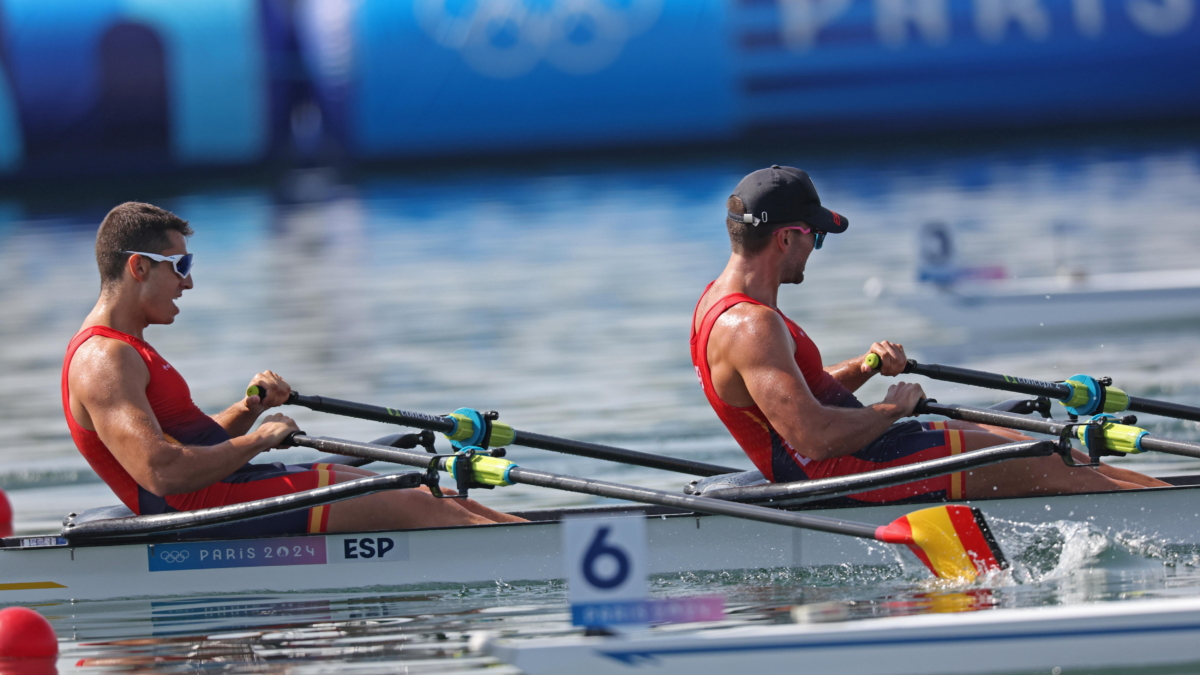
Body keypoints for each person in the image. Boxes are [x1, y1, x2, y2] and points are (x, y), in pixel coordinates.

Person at [691, 166, 1167, 501]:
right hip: (847, 471)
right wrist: (891, 408)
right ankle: (1174, 513)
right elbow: (813, 437)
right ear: (785, 237)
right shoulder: (753, 326)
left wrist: (859, 368)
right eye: (815, 237)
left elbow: (794, 394)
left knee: (1050, 448)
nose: (815, 249)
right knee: (1054, 460)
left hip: (858, 451)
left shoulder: (716, 303)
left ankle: (1168, 497)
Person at [63, 202, 523, 534]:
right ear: (139, 267)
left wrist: (248, 411)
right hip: (200, 508)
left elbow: (191, 444)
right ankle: (558, 561)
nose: (188, 281)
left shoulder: (128, 350)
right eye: (179, 265)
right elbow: (162, 473)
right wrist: (257, 439)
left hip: (224, 487)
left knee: (429, 495)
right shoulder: (103, 359)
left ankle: (546, 542)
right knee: (432, 513)